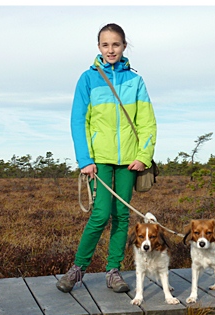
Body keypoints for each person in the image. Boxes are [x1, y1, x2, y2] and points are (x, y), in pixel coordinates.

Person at [57, 23, 157, 293]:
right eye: (105, 45)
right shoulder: (87, 79)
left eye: (116, 44)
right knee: (100, 214)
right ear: (99, 47)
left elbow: (147, 123)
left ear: (124, 46)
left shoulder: (136, 81)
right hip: (98, 159)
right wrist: (84, 159)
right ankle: (77, 269)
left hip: (129, 161)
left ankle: (113, 271)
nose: (110, 49)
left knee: (121, 215)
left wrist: (143, 156)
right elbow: (79, 122)